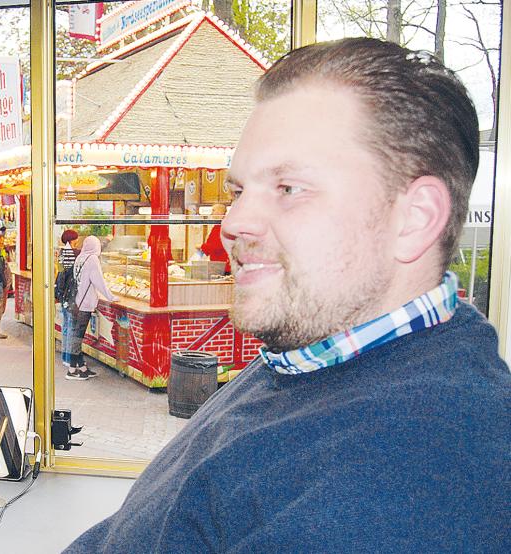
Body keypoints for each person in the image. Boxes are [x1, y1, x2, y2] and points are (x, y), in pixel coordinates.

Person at [65, 38, 509, 552]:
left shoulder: (422, 480)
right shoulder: (310, 354)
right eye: (237, 191)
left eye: (288, 188)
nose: (233, 224)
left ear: (415, 218)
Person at [66, 235, 114, 380]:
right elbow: (98, 280)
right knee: (78, 337)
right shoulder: (92, 259)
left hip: (76, 302)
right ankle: (72, 370)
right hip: (85, 304)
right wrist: (110, 296)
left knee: (76, 335)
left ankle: (81, 367)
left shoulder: (81, 257)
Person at [57, 229, 79, 367]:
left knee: (66, 326)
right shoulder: (74, 254)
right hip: (70, 295)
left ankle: (65, 356)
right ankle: (70, 358)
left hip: (63, 295)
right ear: (71, 240)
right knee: (71, 327)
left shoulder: (61, 254)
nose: (78, 241)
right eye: (76, 239)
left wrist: (59, 293)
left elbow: (60, 275)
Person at [197, 203, 230, 273]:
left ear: (220, 212)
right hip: (217, 265)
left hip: (224, 267)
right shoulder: (217, 226)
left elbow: (217, 246)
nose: (211, 213)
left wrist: (202, 246)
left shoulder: (224, 226)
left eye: (213, 210)